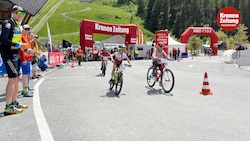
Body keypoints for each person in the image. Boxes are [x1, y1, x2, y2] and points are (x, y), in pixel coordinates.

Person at [0, 5, 28, 115]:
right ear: (13, 13)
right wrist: (18, 44)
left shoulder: (18, 25)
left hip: (15, 54)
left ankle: (14, 102)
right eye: (19, 13)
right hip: (8, 55)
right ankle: (8, 106)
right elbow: (3, 39)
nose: (20, 16)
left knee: (16, 78)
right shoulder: (8, 24)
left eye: (22, 14)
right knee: (12, 78)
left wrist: (21, 47)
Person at [19, 27, 35, 97]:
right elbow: (21, 49)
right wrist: (23, 59)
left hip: (27, 58)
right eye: (26, 29)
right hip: (25, 59)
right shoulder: (21, 37)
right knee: (25, 75)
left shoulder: (25, 38)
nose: (27, 31)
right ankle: (25, 90)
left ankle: (26, 89)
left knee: (27, 74)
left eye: (28, 30)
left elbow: (26, 49)